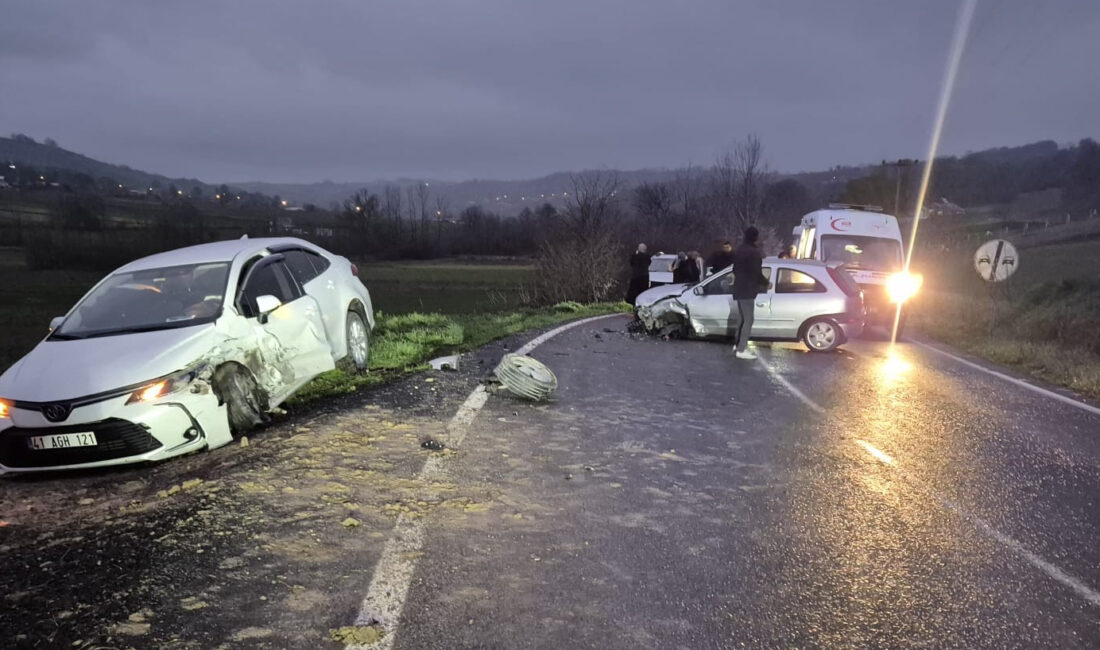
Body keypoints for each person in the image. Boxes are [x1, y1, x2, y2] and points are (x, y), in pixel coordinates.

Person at [731, 227, 768, 360]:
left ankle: (736, 345)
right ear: (755, 237)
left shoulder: (739, 250)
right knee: (749, 319)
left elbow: (735, 269)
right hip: (748, 289)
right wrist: (766, 283)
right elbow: (757, 272)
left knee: (741, 318)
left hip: (739, 288)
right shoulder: (754, 252)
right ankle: (741, 349)